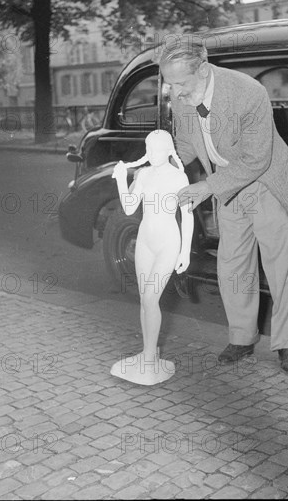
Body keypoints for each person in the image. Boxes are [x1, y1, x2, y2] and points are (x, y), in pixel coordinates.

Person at [158, 37, 288, 376]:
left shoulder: (247, 92)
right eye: (170, 84)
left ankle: (287, 342)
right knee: (232, 266)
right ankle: (242, 337)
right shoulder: (184, 96)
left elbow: (256, 159)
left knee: (281, 268)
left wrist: (207, 187)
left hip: (267, 182)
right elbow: (184, 144)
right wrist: (162, 171)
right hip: (228, 185)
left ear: (203, 69)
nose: (176, 93)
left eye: (181, 83)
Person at [110, 129, 194, 385]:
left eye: (157, 149)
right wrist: (121, 180)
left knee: (150, 298)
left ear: (169, 150)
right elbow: (129, 207)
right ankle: (148, 354)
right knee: (144, 301)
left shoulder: (179, 177)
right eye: (148, 148)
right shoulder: (144, 173)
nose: (151, 154)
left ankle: (149, 359)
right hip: (145, 241)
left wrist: (185, 251)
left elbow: (187, 216)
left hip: (168, 244)